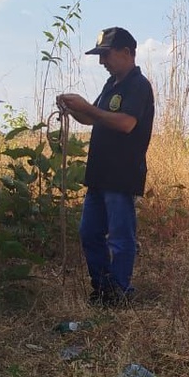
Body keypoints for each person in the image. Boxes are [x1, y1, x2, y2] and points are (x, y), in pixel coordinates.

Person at [56, 27, 155, 306]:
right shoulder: (111, 85)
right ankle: (101, 289)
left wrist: (88, 107)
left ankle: (120, 292)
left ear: (126, 53)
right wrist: (74, 109)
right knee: (89, 233)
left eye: (106, 55)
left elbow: (125, 123)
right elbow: (93, 120)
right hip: (99, 174)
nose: (102, 62)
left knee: (121, 238)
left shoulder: (138, 85)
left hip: (121, 175)